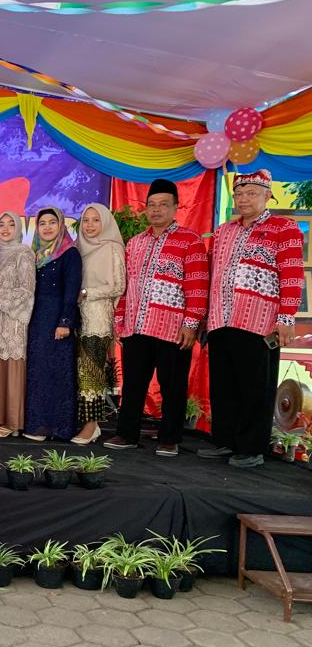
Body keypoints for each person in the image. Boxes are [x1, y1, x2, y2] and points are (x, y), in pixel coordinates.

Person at [200, 169, 305, 468]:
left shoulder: (283, 228)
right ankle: (225, 441)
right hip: (221, 318)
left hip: (259, 322)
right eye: (239, 194)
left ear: (267, 196)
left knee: (255, 387)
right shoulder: (223, 231)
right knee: (223, 385)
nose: (243, 199)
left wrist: (286, 318)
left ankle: (251, 448)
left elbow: (292, 275)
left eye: (251, 193)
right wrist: (205, 316)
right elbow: (212, 275)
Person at [105, 179, 208, 457]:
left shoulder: (190, 241)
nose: (156, 210)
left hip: (172, 329)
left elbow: (198, 285)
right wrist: (120, 320)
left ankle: (169, 438)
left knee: (172, 386)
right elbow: (125, 285)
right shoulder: (135, 243)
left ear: (175, 207)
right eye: (151, 204)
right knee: (134, 383)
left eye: (163, 204)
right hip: (136, 326)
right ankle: (126, 434)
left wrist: (191, 324)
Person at [24, 207, 83, 441]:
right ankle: (38, 425)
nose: (47, 227)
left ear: (61, 226)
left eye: (52, 222)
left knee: (57, 371)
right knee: (38, 371)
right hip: (37, 318)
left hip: (57, 319)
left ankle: (58, 427)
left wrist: (65, 321)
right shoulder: (35, 254)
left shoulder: (70, 253)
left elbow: (72, 290)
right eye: (42, 223)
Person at [72, 203, 126, 445]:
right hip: (77, 318)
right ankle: (82, 421)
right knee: (78, 372)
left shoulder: (112, 248)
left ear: (105, 222)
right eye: (86, 220)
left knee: (91, 372)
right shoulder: (77, 248)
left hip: (97, 318)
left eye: (95, 220)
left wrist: (87, 292)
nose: (90, 225)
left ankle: (92, 425)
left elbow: (118, 286)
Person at [0, 211, 35, 438]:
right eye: (1, 225)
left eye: (10, 224)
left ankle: (12, 422)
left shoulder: (24, 253)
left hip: (12, 319)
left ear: (19, 229)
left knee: (11, 367)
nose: (5, 229)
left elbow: (26, 289)